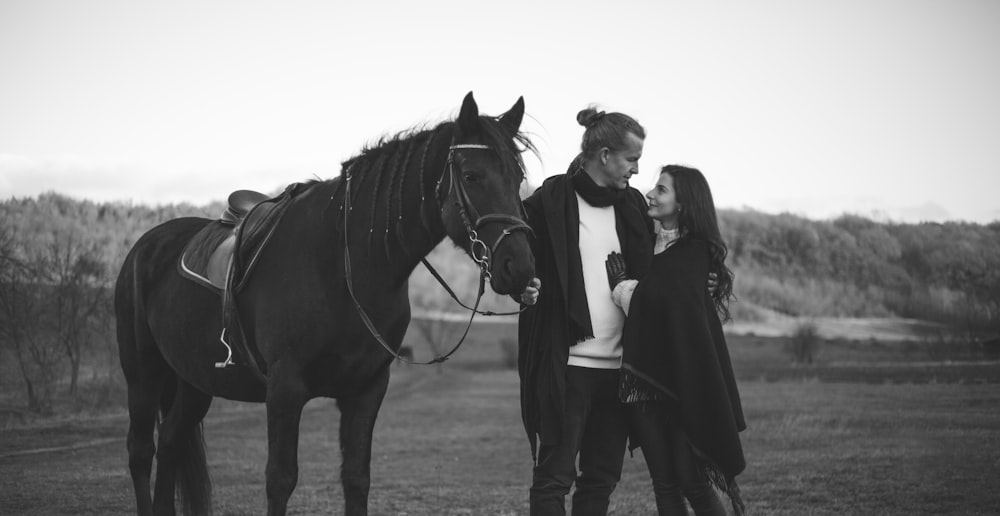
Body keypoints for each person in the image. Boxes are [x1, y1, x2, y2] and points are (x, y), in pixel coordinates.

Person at [516, 106, 653, 516]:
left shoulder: (633, 208)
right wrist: (522, 288)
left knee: (601, 479)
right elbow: (520, 263)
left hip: (621, 371)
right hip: (567, 368)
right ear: (606, 155)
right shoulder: (549, 201)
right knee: (554, 479)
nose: (636, 170)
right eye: (632, 159)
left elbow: (660, 275)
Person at [605, 164, 747, 516]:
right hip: (643, 379)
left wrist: (622, 288)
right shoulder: (646, 244)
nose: (651, 193)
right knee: (664, 484)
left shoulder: (695, 251)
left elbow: (661, 300)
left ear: (684, 203)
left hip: (684, 380)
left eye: (661, 189)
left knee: (691, 480)